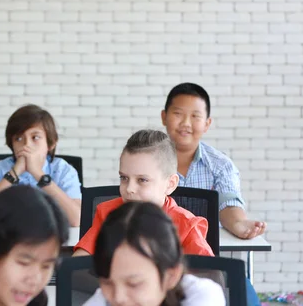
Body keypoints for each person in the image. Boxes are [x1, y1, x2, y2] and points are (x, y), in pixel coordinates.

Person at [74, 130, 213, 257]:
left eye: (142, 180)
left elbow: (211, 277)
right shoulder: (108, 213)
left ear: (170, 184)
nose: (129, 189)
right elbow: (78, 266)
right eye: (124, 178)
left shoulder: (187, 226)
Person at [161, 82, 266, 239]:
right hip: (156, 247)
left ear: (207, 124)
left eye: (195, 116)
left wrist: (239, 223)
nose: (186, 123)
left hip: (205, 253)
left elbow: (228, 203)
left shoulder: (221, 166)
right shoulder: (146, 161)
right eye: (178, 114)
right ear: (164, 117)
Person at [83, 201, 225, 306]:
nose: (118, 298)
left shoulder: (203, 296)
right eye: (107, 283)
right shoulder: (102, 299)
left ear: (171, 276)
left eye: (134, 284)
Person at [0, 104, 81, 226]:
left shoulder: (64, 170)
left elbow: (77, 219)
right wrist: (14, 173)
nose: (27, 145)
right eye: (18, 139)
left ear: (50, 143)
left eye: (35, 137)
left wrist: (38, 173)